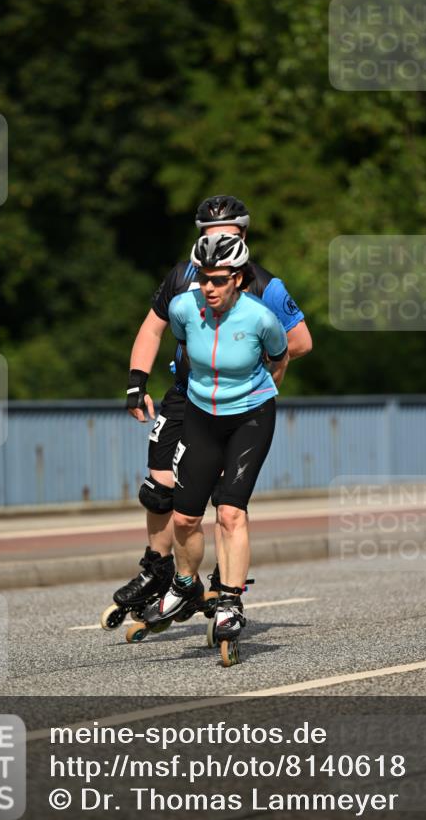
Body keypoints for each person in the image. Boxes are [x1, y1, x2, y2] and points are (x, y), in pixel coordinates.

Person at [101, 196, 311, 630]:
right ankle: (161, 572)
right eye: (206, 233)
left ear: (243, 236)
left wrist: (255, 370)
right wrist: (136, 382)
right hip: (188, 393)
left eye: (226, 232)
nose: (215, 239)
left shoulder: (265, 287)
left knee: (227, 504)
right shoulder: (183, 277)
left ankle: (224, 585)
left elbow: (299, 342)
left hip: (241, 402)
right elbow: (154, 327)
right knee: (160, 493)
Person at [142, 232, 288, 655]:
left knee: (229, 512)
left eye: (220, 279)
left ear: (239, 278)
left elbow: (279, 359)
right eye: (205, 277)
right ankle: (184, 585)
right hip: (202, 415)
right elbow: (187, 353)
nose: (209, 286)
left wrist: (255, 396)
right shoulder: (183, 309)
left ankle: (229, 600)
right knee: (185, 519)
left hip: (251, 417)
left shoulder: (261, 319)